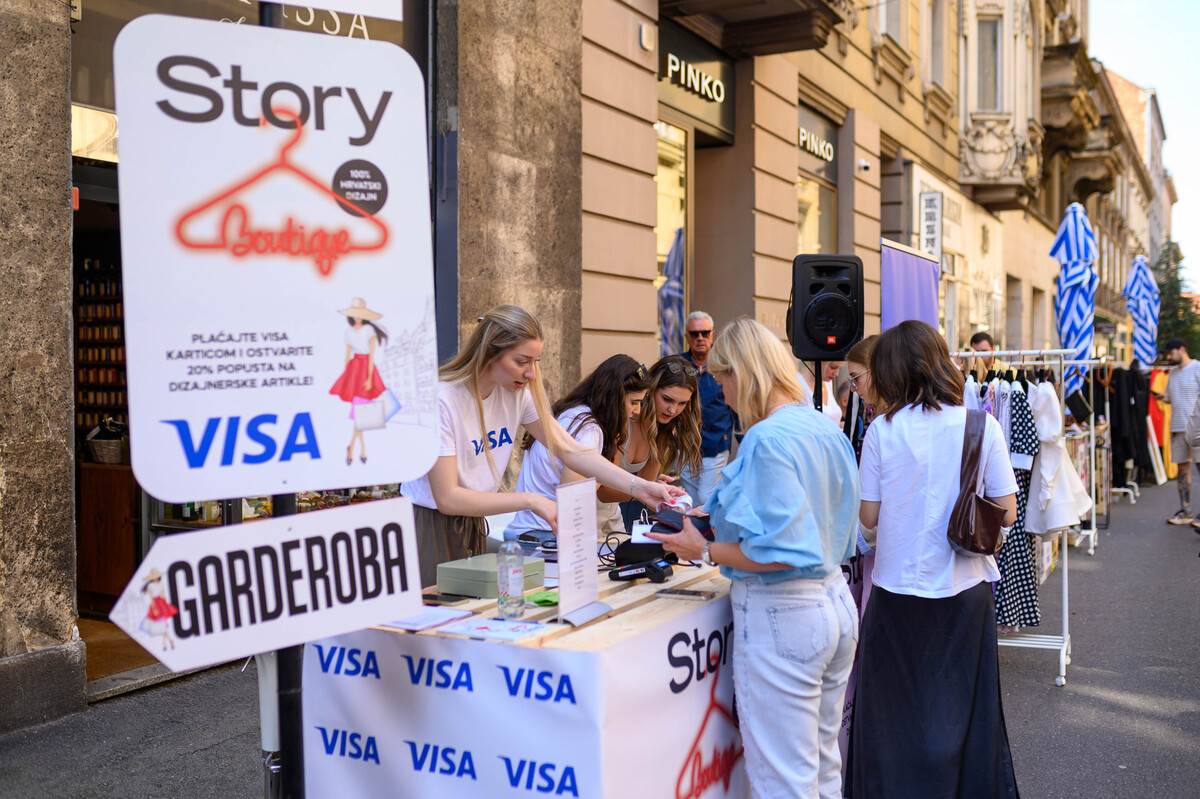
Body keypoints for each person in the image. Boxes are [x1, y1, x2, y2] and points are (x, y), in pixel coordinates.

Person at [650, 318, 860, 799]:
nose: (720, 393)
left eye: (722, 379)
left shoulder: (768, 438)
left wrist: (700, 548)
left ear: (742, 372)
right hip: (832, 602)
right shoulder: (821, 427)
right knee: (823, 767)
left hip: (786, 614)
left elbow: (783, 552)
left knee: (782, 780)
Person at [852, 320, 1020, 798]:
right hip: (964, 591)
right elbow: (1006, 508)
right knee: (965, 713)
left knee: (893, 715)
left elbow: (868, 517)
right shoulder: (980, 425)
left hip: (896, 591)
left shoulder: (882, 430)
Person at [400, 305, 680, 586]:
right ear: (490, 353)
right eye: (522, 361)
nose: (531, 373)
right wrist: (531, 500)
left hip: (472, 522)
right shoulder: (444, 400)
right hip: (430, 523)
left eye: (535, 361)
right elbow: (448, 498)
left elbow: (570, 450)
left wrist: (640, 487)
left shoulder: (517, 394)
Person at [504, 355, 650, 541]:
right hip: (546, 536)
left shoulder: (571, 412)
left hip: (532, 531)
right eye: (633, 402)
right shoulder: (589, 430)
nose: (636, 410)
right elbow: (574, 498)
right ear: (614, 397)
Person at [678, 311, 736, 506]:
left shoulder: (725, 366)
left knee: (706, 497)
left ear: (713, 334)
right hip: (685, 446)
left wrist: (745, 442)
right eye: (695, 334)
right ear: (687, 336)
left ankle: (712, 534)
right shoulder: (677, 365)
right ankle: (694, 534)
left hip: (716, 444)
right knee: (689, 499)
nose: (700, 338)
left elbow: (737, 407)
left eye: (705, 333)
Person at [328, 298, 389, 465]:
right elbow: (347, 353)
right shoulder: (349, 332)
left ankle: (353, 447)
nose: (357, 318)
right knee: (360, 411)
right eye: (355, 315)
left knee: (361, 411)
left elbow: (371, 357)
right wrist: (347, 373)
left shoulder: (369, 330)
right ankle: (359, 448)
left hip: (364, 369)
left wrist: (369, 378)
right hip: (354, 369)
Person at [1161, 338, 1200, 525]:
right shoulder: (1173, 374)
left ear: (1182, 349)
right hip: (1178, 427)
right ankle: (1186, 511)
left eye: (1171, 353)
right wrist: (1162, 397)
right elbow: (1169, 398)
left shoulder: (1198, 368)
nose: (1169, 357)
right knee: (1183, 470)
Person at [801, 360, 844, 427]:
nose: (837, 373)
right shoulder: (799, 385)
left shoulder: (827, 382)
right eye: (833, 367)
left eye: (839, 368)